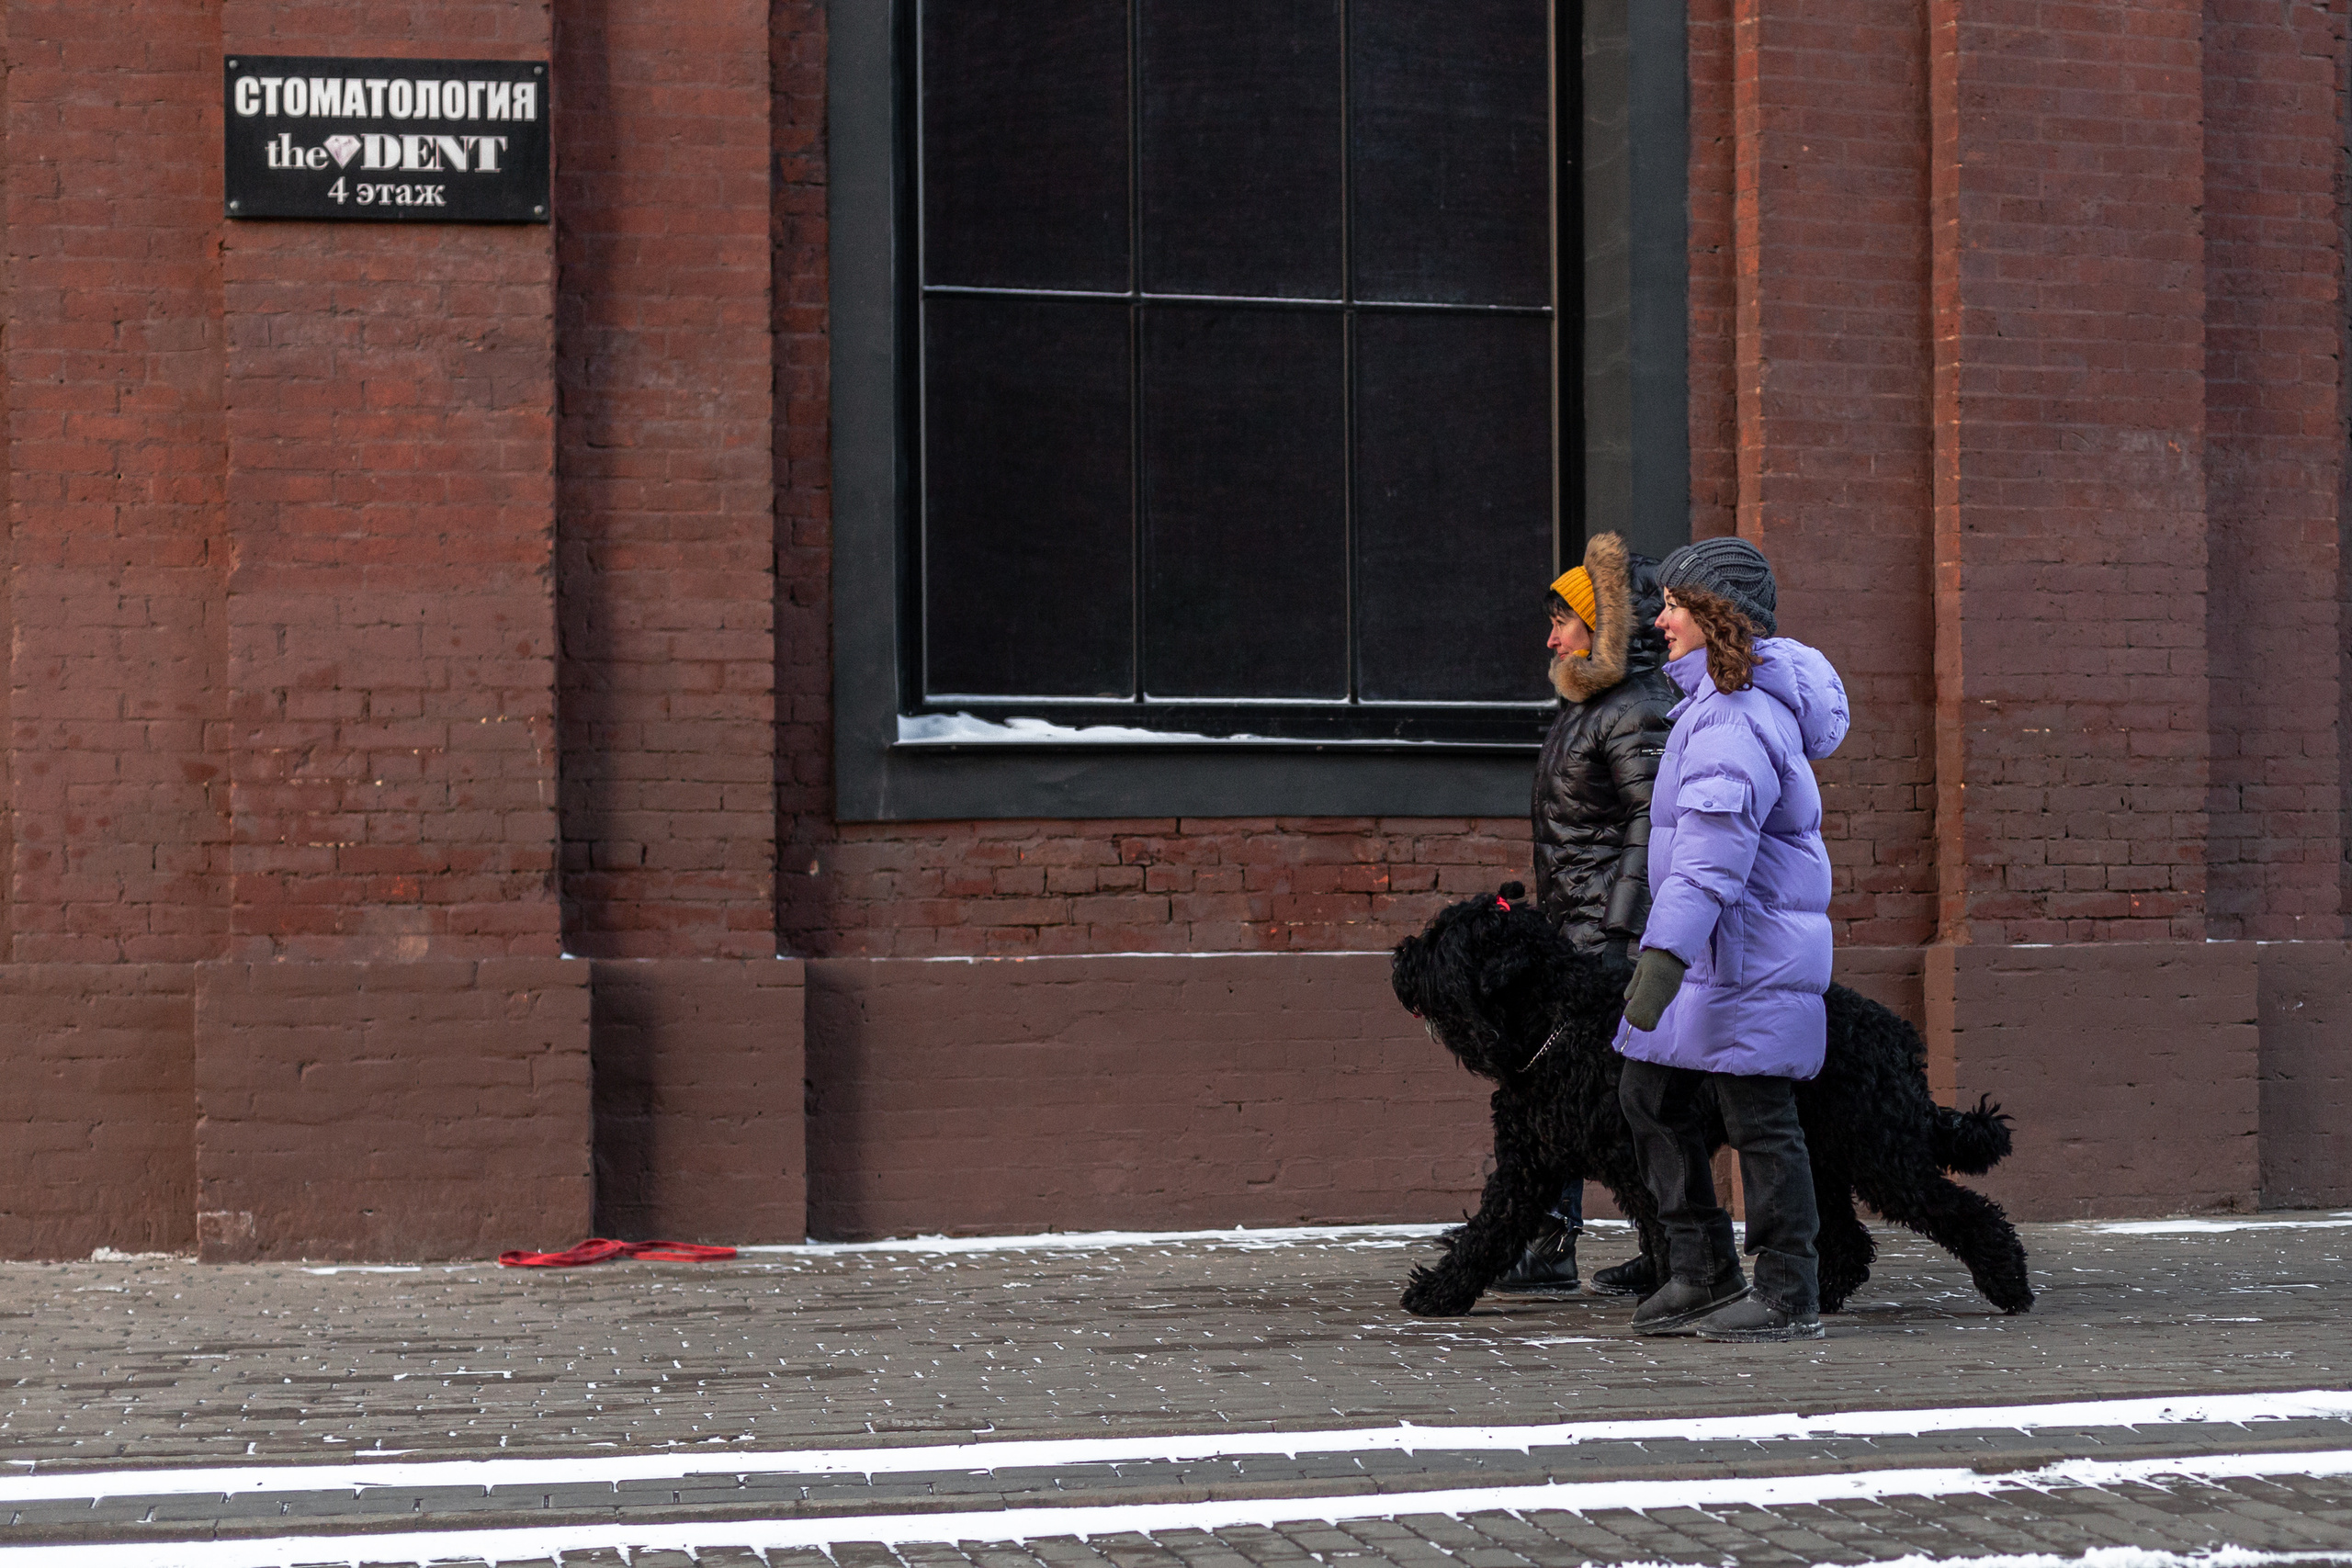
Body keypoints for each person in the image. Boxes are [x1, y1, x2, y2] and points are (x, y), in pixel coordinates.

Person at [1613, 536, 1849, 1342]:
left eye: (1676, 604)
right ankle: (1702, 1271)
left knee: (1759, 1118)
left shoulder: (1733, 719)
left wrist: (1663, 957)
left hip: (1741, 957)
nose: (1660, 617)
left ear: (1718, 617)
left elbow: (1711, 858)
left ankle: (1787, 1289)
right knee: (1649, 1095)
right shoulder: (1711, 705)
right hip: (1719, 954)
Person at [1492, 532, 1677, 1295]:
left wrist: (1618, 935)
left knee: (1624, 1099)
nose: (1551, 635)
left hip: (1608, 945)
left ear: (1603, 628)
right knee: (1557, 1090)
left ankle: (1665, 1244)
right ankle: (1550, 1241)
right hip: (1570, 936)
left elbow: (1650, 827)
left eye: (1564, 620)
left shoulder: (1635, 710)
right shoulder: (1586, 706)